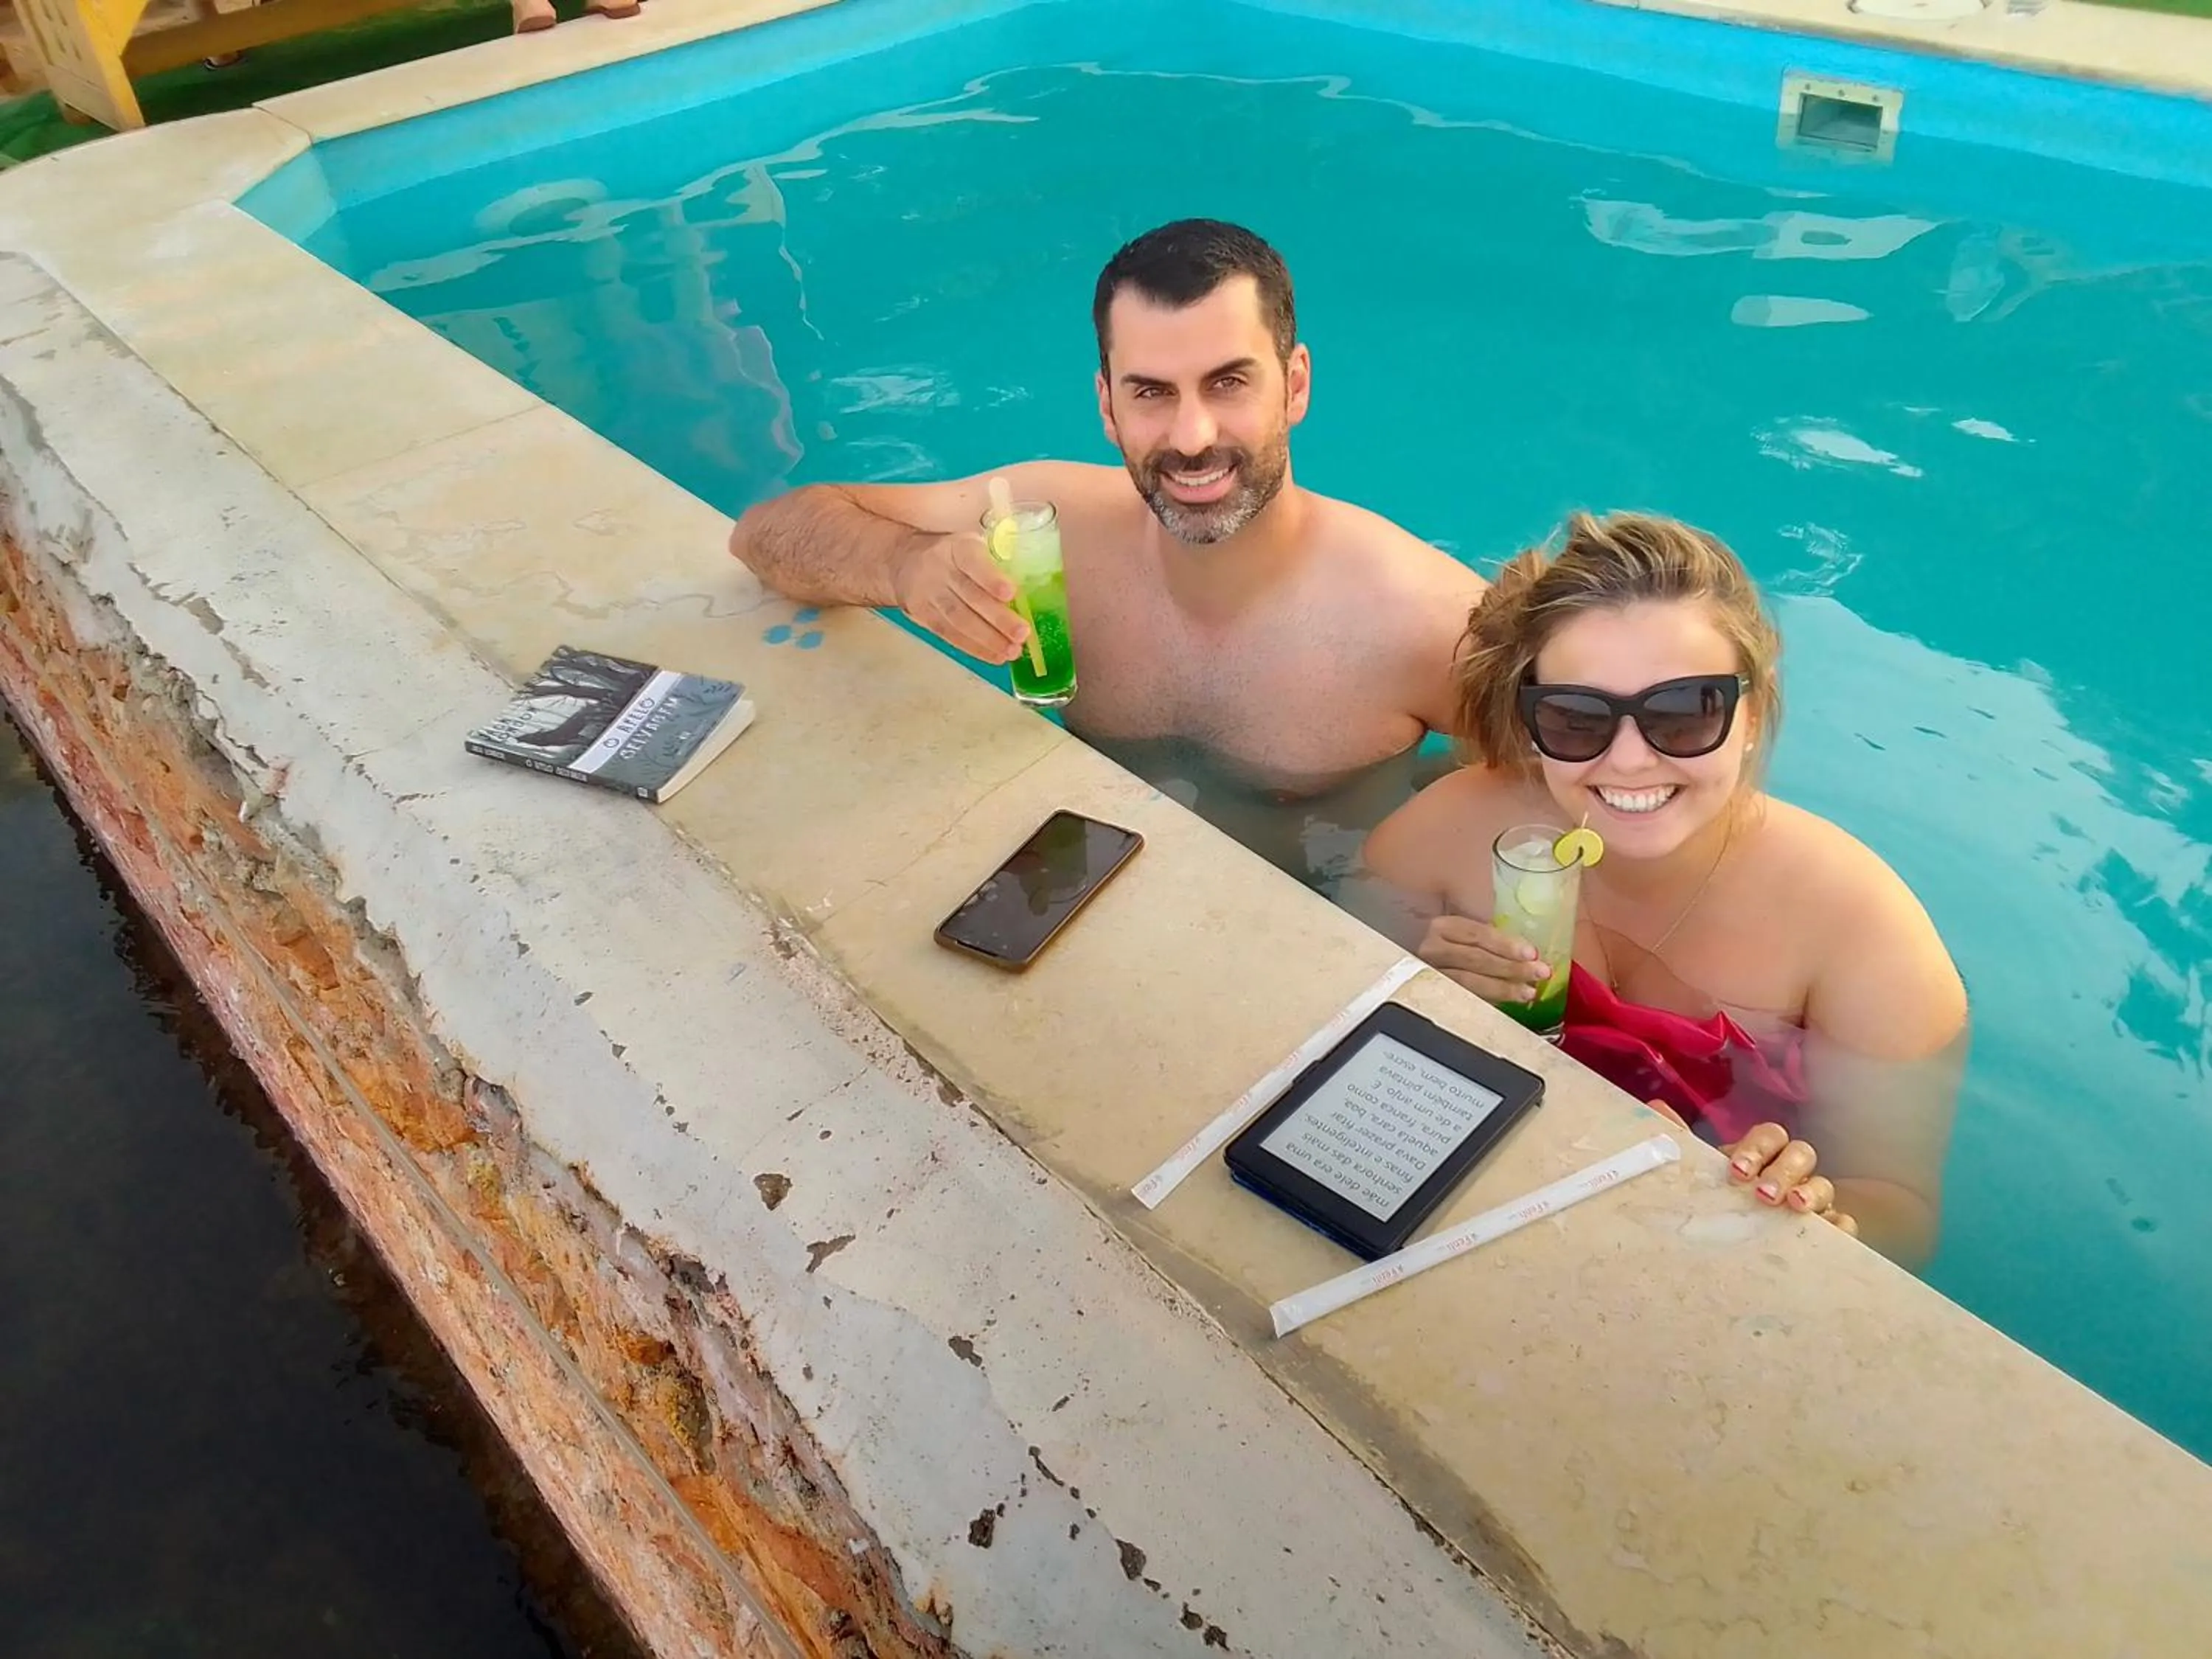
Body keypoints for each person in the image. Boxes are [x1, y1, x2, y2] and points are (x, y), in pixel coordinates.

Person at [726, 218, 1482, 879]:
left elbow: (1558, 805)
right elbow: (767, 534)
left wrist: (1406, 890)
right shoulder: (1045, 530)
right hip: (1088, 892)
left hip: (1316, 926)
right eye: (1152, 392)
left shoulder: (1422, 619)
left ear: (1294, 385)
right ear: (1107, 407)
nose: (1192, 439)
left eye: (1227, 384)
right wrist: (904, 566)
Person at [1353, 511, 1967, 1268]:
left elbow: (1899, 1214)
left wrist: (1811, 1213)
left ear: (1750, 712)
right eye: (1578, 718)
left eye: (1682, 712)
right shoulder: (1438, 844)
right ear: (1531, 716)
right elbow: (1330, 1027)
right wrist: (1426, 1004)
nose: (1632, 760)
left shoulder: (1862, 933)